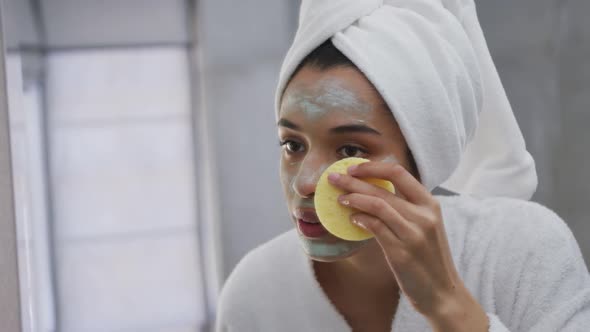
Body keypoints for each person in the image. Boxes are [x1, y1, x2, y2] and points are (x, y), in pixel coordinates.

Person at [215, 1, 590, 331]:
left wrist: (446, 306)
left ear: (422, 162)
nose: (306, 182)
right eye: (292, 144)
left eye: (349, 149)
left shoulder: (523, 252)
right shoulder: (255, 293)